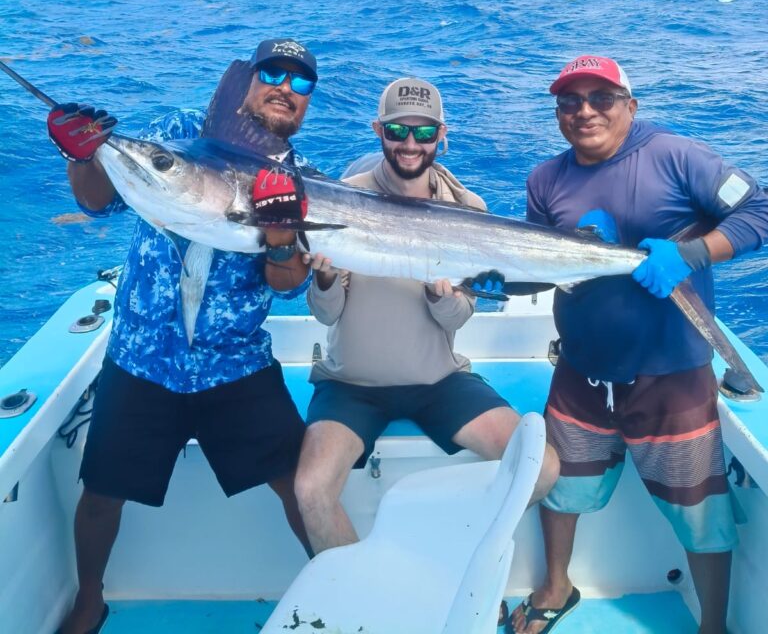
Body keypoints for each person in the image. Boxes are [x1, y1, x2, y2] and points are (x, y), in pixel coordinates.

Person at [51, 38, 319, 634]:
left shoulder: (297, 177)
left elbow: (288, 285)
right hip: (141, 360)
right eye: (273, 73)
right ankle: (89, 601)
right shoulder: (175, 132)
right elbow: (98, 202)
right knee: (101, 494)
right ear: (247, 80)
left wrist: (281, 240)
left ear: (307, 104)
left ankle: (336, 591)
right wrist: (82, 157)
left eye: (301, 83)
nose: (285, 88)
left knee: (299, 488)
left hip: (236, 365)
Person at [511, 55, 768, 634]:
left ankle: (712, 626)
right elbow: (540, 266)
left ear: (631, 105)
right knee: (561, 492)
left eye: (600, 98)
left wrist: (693, 254)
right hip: (581, 373)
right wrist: (496, 280)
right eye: (570, 101)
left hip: (672, 378)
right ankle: (556, 587)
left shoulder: (678, 156)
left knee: (699, 512)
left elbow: (762, 209)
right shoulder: (545, 180)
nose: (584, 111)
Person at [294, 76, 560, 560]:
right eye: (398, 130)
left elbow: (458, 319)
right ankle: (363, 592)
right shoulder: (339, 200)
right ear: (378, 130)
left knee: (541, 468)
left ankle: (444, 560)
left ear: (442, 135)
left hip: (439, 381)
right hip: (351, 384)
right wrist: (326, 278)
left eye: (423, 132)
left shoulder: (469, 208)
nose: (410, 144)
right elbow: (325, 314)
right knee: (310, 490)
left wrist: (444, 299)